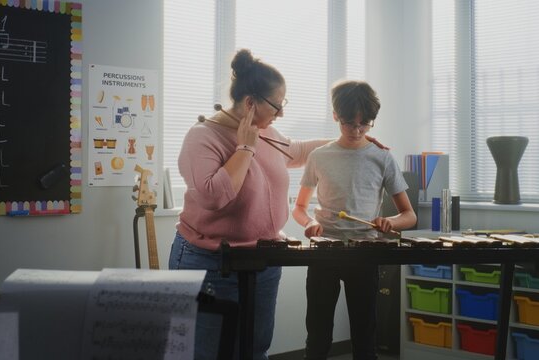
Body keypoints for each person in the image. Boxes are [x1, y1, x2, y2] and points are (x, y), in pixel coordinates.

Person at [168, 49, 330, 360]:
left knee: (255, 350)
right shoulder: (202, 136)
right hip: (211, 261)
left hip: (263, 260)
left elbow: (295, 151)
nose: (281, 113)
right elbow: (214, 197)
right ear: (250, 102)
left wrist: (345, 141)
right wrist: (244, 147)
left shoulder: (266, 131)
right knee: (208, 353)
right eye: (277, 105)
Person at [292, 80, 417, 360]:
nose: (358, 130)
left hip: (365, 252)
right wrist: (309, 223)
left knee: (365, 337)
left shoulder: (382, 158)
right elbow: (300, 207)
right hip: (324, 252)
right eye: (350, 123)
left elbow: (409, 215)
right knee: (317, 336)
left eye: (366, 123)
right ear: (335, 115)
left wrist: (390, 223)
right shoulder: (319, 156)